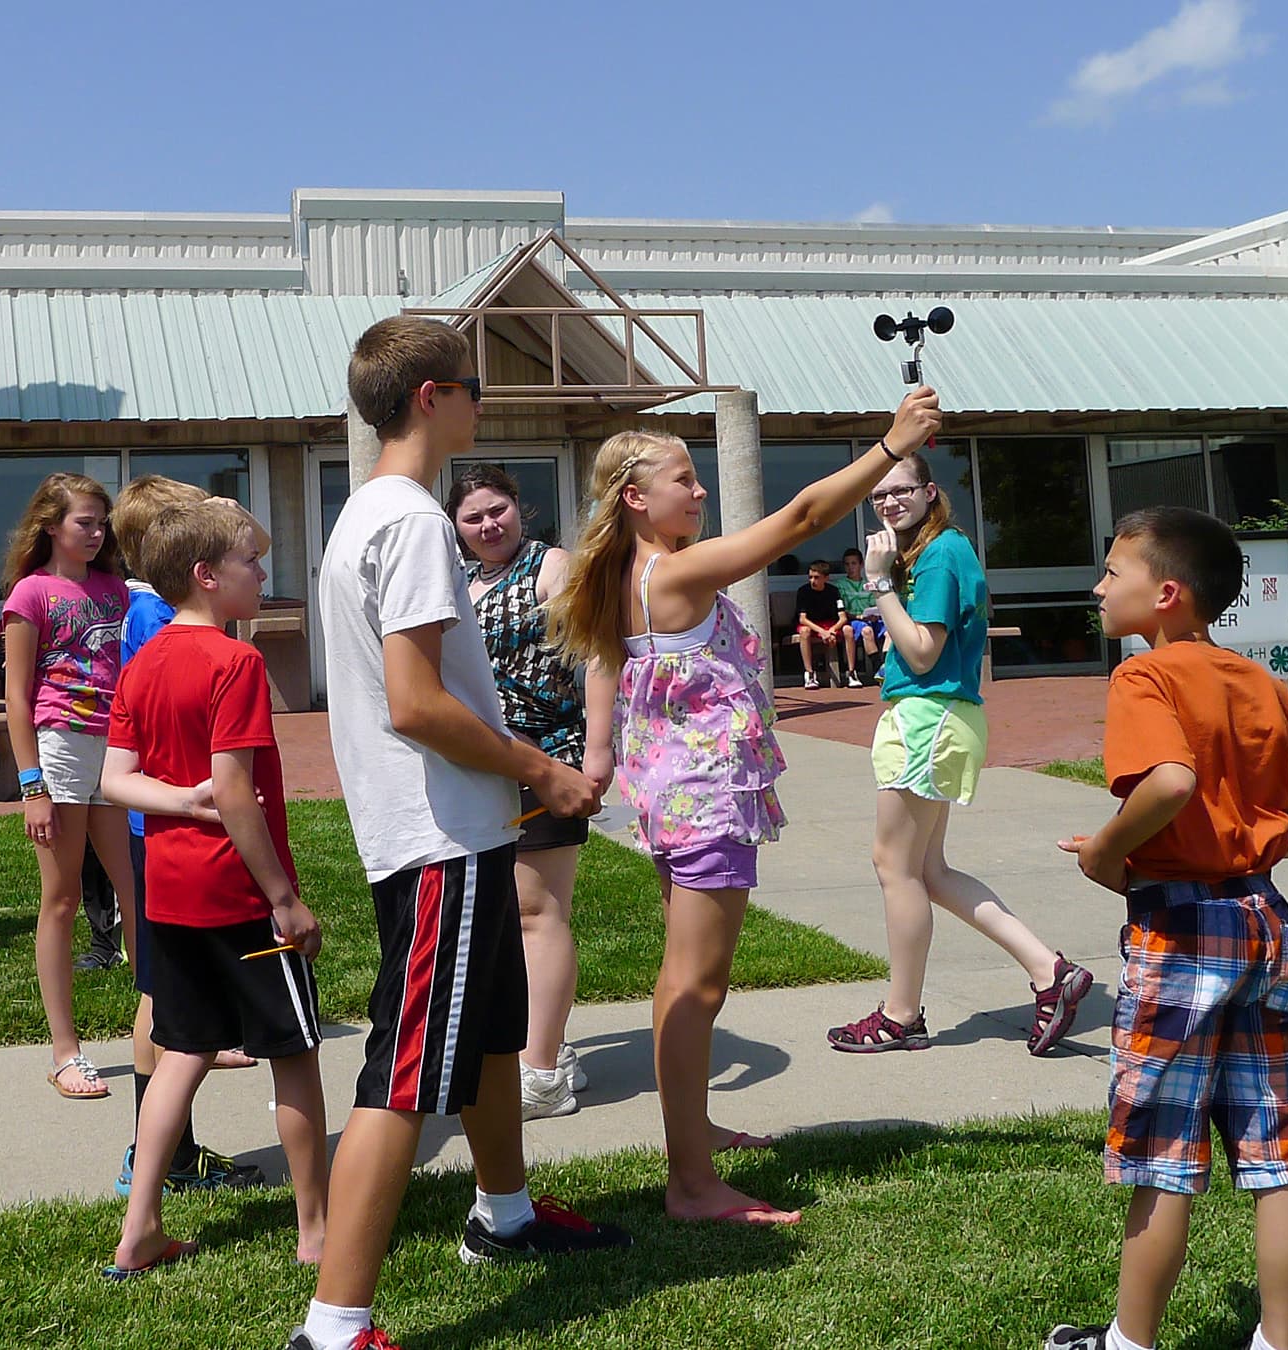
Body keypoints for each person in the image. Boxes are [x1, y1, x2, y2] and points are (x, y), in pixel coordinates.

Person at [290, 318, 624, 1350]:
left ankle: (505, 1214)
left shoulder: (368, 515)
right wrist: (544, 771)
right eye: (473, 385)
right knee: (403, 1072)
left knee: (485, 1036)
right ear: (431, 395)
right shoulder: (413, 524)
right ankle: (336, 1325)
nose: (483, 402)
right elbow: (415, 704)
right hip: (438, 836)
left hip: (446, 828)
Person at [549, 386, 944, 1227]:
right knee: (699, 985)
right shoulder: (676, 571)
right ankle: (692, 1184)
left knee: (680, 981)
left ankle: (688, 1139)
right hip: (705, 804)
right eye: (684, 480)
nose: (699, 493)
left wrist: (601, 755)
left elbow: (611, 675)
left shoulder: (629, 572)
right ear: (634, 499)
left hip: (671, 800)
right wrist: (887, 445)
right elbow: (801, 518)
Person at [1045, 508, 1288, 1350]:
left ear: (1165, 594)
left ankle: (1129, 1344)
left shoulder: (1145, 677)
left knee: (1163, 1153)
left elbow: (1170, 783)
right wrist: (1253, 844)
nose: (1098, 587)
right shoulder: (1263, 685)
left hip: (1181, 929)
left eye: (1111, 572)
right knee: (1277, 1153)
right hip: (1268, 925)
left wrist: (1105, 852)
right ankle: (1278, 1345)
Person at [101, 497, 327, 1276]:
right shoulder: (237, 662)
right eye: (249, 563)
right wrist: (284, 899)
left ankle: (140, 1229)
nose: (262, 571)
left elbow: (115, 781)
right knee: (293, 1054)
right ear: (207, 577)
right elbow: (237, 793)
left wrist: (180, 800)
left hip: (166, 895)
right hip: (237, 896)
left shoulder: (143, 661)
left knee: (181, 1052)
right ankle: (317, 1231)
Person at [826, 450, 1092, 1057]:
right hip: (936, 716)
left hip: (929, 715)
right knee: (928, 872)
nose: (890, 502)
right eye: (880, 495)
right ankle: (1050, 971)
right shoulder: (935, 552)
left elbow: (922, 651)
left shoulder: (941, 553)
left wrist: (877, 582)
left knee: (895, 868)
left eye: (901, 490)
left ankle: (901, 1015)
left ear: (929, 492)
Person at [107, 474, 259, 1197]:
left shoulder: (151, 614)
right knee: (158, 997)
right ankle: (162, 1153)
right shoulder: (159, 622)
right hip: (181, 822)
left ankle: (166, 1152)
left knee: (165, 996)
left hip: (165, 816)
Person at [448, 463, 608, 1122]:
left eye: (498, 510)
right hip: (480, 766)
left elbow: (600, 653)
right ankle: (541, 1047)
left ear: (520, 508)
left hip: (548, 759)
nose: (489, 525)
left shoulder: (553, 569)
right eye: (473, 517)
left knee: (537, 914)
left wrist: (597, 751)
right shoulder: (462, 579)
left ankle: (542, 1073)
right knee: (500, 920)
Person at [1, 472, 135, 1101]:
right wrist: (33, 786)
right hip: (60, 747)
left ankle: (174, 1029)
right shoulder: (31, 593)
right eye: (85, 521)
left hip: (119, 745)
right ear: (50, 525)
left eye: (101, 522)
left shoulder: (117, 591)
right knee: (63, 897)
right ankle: (65, 1053)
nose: (96, 532)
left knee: (138, 890)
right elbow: (17, 699)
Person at [793, 560, 859, 689]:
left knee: (848, 630)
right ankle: (810, 674)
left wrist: (832, 630)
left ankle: (851, 673)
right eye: (810, 577)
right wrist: (822, 632)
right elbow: (803, 619)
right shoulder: (803, 591)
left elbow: (843, 617)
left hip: (830, 625)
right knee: (804, 631)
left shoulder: (834, 592)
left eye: (816, 578)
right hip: (812, 624)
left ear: (826, 578)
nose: (813, 581)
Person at [835, 547, 886, 665]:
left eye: (854, 563)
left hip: (872, 619)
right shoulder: (840, 585)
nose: (850, 567)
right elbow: (841, 611)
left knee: (890, 631)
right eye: (847, 564)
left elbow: (875, 606)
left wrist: (875, 615)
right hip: (853, 621)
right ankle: (877, 668)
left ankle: (888, 665)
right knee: (867, 630)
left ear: (861, 565)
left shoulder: (868, 584)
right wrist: (859, 617)